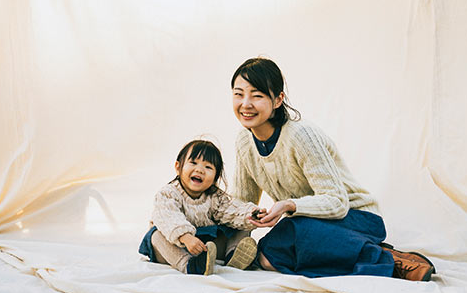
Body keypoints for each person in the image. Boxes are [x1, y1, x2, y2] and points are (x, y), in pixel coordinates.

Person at [230, 57, 436, 281]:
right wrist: (228, 246)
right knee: (268, 256)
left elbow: (337, 203)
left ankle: (389, 260)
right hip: (309, 226)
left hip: (356, 218)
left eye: (257, 95)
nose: (246, 104)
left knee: (291, 230)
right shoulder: (244, 143)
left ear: (278, 100)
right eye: (238, 94)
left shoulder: (301, 135)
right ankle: (361, 252)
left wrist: (289, 205)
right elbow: (241, 204)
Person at [139, 139, 265, 275]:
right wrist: (185, 237)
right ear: (178, 167)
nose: (199, 170)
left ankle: (233, 255)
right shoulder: (168, 193)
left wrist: (252, 214)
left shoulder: (216, 197)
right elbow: (168, 217)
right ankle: (189, 265)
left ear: (215, 178)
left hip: (204, 247)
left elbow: (232, 211)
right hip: (174, 247)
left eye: (208, 167)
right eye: (193, 163)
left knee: (242, 224)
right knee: (156, 235)